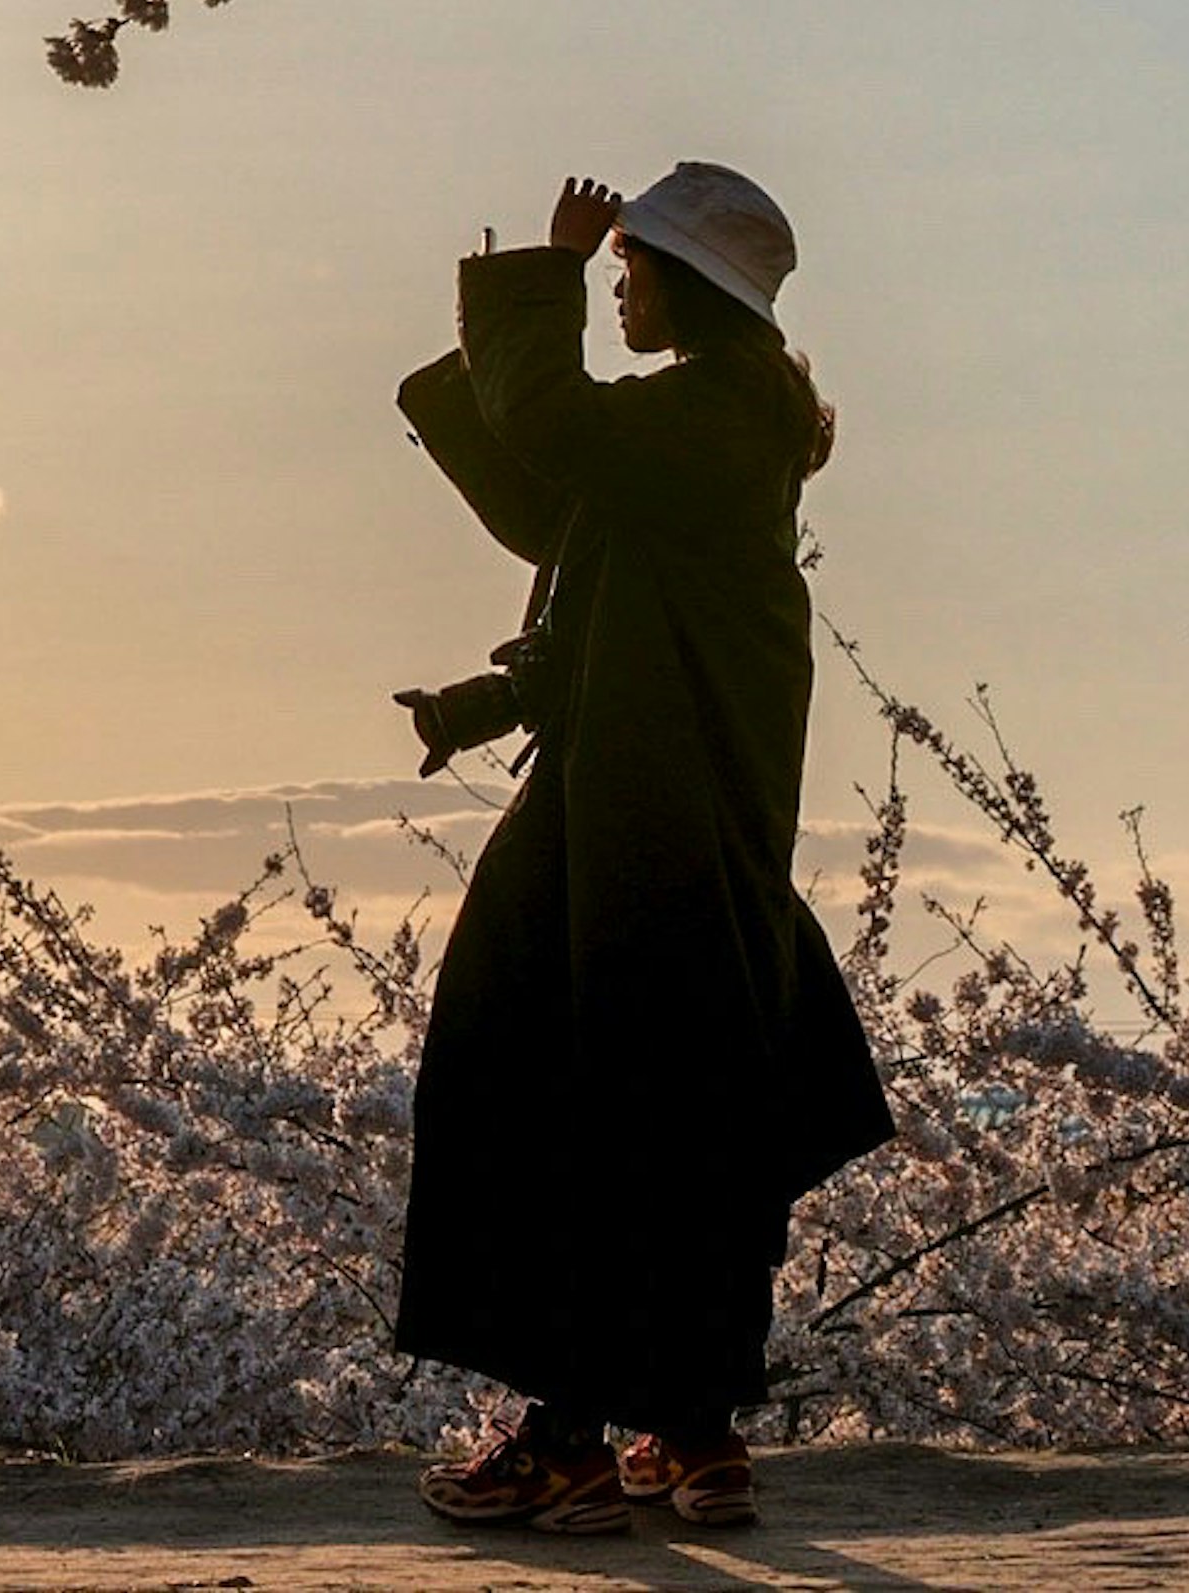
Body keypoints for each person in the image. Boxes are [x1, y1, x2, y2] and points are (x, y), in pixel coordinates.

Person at [389, 163, 894, 1536]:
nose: (617, 290)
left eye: (627, 269)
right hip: (676, 841)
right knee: (684, 1119)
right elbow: (564, 528)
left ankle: (563, 1444)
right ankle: (696, 1431)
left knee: (551, 1095)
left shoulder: (711, 422)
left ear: (688, 284)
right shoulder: (717, 434)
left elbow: (553, 430)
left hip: (630, 841)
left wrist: (535, 279)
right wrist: (484, 702)